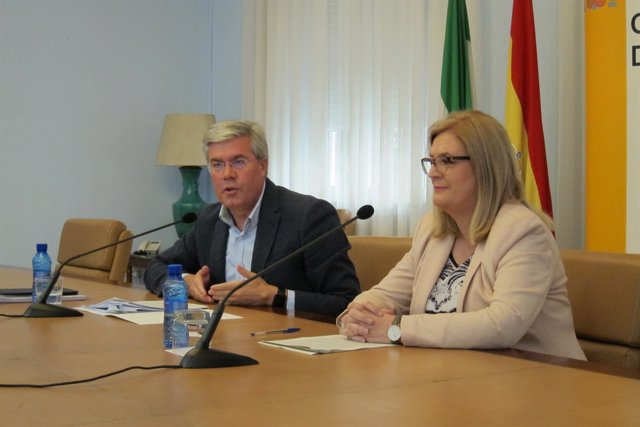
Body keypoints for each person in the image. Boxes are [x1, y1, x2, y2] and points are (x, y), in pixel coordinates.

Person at [338, 110, 586, 360]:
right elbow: (386, 294)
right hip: (450, 374)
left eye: (446, 161)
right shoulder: (432, 229)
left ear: (485, 166)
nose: (434, 172)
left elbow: (502, 325)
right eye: (432, 161)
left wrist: (397, 329)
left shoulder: (523, 232)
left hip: (534, 378)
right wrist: (358, 314)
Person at [145, 120, 359, 317]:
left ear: (263, 166)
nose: (227, 174)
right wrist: (185, 282)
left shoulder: (309, 216)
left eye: (238, 162)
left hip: (285, 344)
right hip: (221, 338)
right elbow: (155, 268)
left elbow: (346, 301)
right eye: (217, 164)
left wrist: (274, 296)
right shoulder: (209, 219)